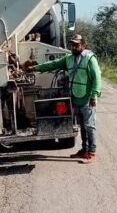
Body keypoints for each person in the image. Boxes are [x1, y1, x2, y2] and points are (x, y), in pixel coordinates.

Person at [25, 34, 102, 163]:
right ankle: (84, 150)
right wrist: (35, 68)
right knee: (82, 126)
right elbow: (53, 64)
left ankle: (92, 152)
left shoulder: (90, 59)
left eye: (77, 45)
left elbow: (97, 78)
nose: (74, 47)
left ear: (83, 45)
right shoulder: (69, 59)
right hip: (76, 98)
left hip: (87, 98)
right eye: (72, 45)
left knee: (90, 126)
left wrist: (94, 95)